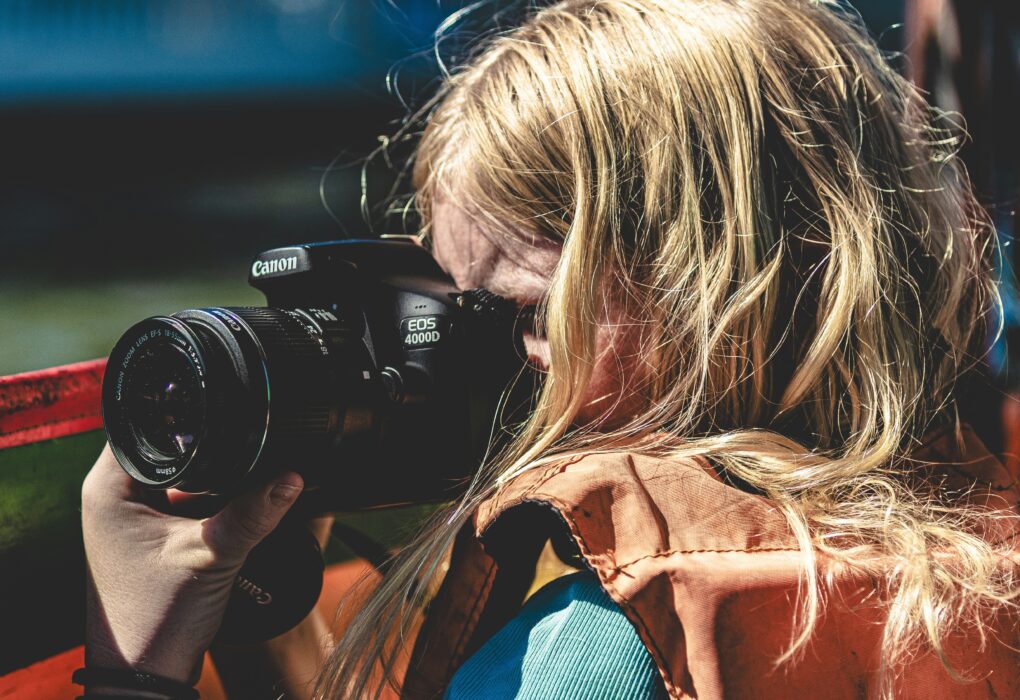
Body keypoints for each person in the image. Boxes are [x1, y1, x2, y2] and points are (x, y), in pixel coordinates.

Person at [80, 0, 1020, 698]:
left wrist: (136, 670)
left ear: (734, 293)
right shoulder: (961, 550)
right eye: (447, 314)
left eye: (525, 319)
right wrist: (264, 627)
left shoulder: (593, 656)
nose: (466, 370)